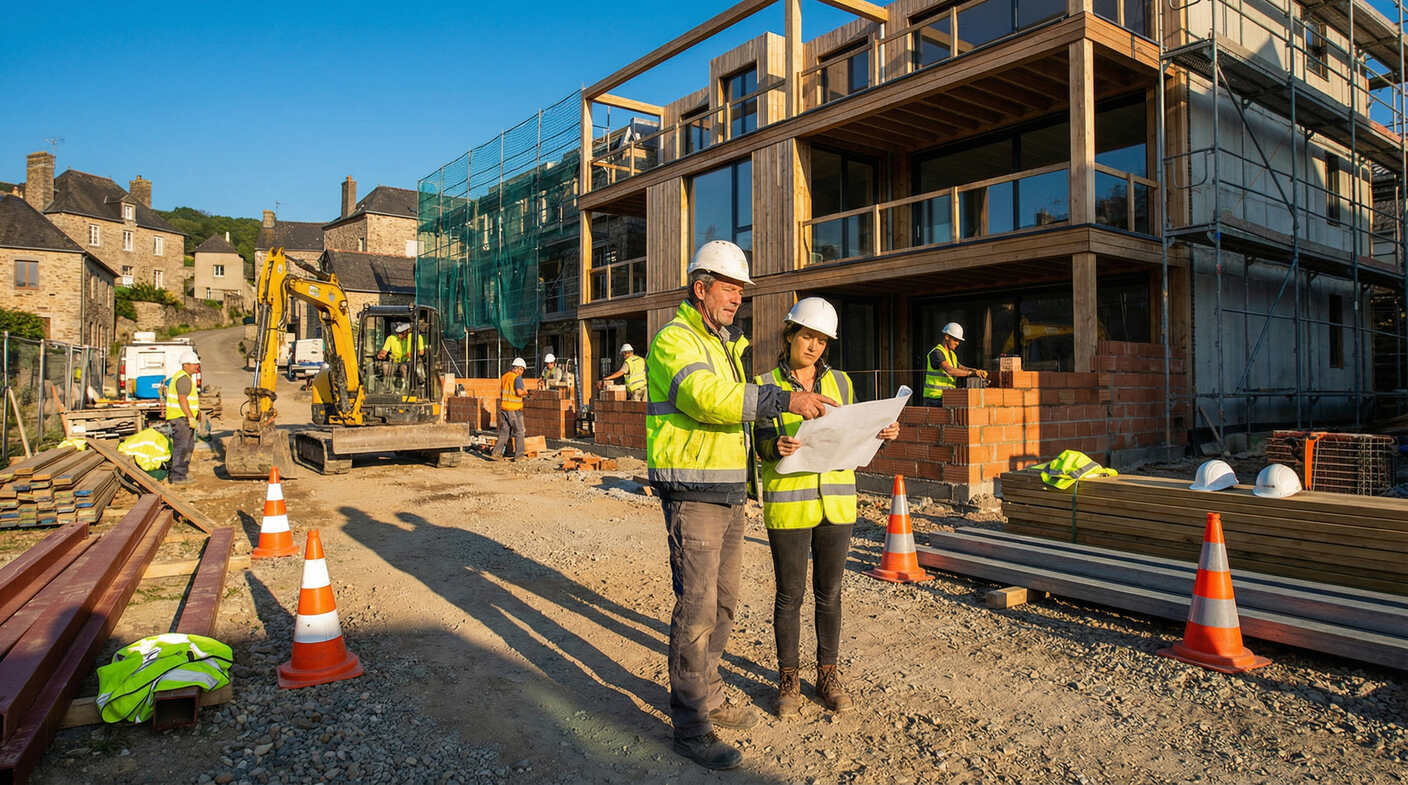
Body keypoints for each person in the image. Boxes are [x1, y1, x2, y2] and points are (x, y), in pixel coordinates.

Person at [647, 241, 836, 770]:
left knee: (724, 604)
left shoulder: (727, 345)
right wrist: (784, 399)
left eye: (740, 291)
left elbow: (735, 418)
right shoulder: (675, 340)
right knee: (697, 610)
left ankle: (709, 692)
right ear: (700, 287)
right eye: (729, 288)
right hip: (693, 492)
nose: (737, 298)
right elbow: (705, 399)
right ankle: (690, 726)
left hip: (728, 492)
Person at [754, 297, 899, 718]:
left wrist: (882, 432)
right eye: (807, 336)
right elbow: (759, 440)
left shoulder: (843, 384)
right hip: (789, 506)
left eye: (821, 340)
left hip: (836, 502)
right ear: (789, 336)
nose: (813, 346)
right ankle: (788, 679)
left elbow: (854, 435)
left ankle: (828, 675)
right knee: (789, 595)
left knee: (830, 594)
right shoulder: (765, 383)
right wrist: (773, 447)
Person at [922, 321, 987, 405]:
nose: (957, 343)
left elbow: (960, 367)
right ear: (947, 337)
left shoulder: (952, 355)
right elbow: (949, 370)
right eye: (955, 340)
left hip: (946, 396)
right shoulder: (937, 352)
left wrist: (976, 371)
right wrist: (971, 373)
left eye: (959, 341)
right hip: (934, 398)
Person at [163, 349, 201, 485]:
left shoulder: (185, 377)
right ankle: (178, 477)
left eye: (196, 364)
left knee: (188, 446)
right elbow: (182, 399)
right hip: (180, 418)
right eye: (193, 364)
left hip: (182, 418)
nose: (196, 366)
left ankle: (183, 473)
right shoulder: (183, 379)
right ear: (185, 365)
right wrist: (190, 417)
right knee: (182, 446)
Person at [491, 357, 527, 460]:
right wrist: (526, 392)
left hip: (504, 408)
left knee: (504, 432)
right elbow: (519, 392)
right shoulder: (517, 378)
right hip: (514, 410)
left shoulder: (504, 377)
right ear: (519, 368)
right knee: (519, 431)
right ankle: (519, 455)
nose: (522, 373)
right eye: (522, 370)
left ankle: (496, 453)